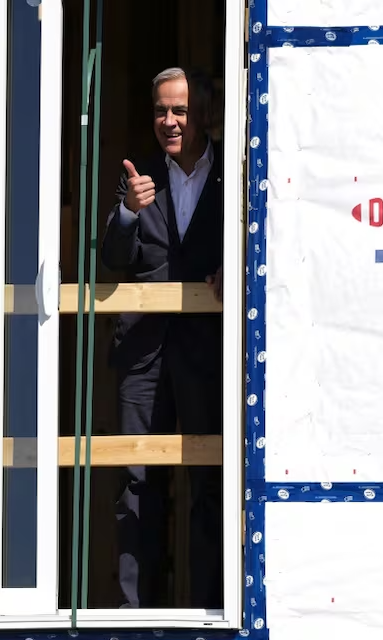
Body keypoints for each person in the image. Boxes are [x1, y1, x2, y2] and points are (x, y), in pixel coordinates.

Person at [101, 67, 225, 609]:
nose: (168, 121)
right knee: (136, 483)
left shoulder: (237, 173)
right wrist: (129, 211)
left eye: (179, 110)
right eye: (160, 111)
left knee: (211, 481)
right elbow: (112, 258)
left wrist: (234, 266)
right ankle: (134, 616)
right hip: (143, 354)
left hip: (208, 352)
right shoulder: (139, 177)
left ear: (204, 115)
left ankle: (211, 608)